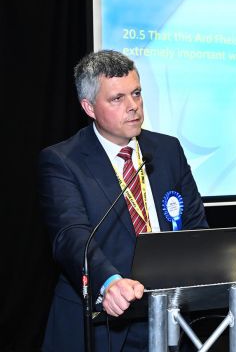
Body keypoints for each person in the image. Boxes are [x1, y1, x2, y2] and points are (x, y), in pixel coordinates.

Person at [39, 50, 209, 351]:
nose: (133, 107)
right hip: (103, 323)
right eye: (117, 99)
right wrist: (109, 283)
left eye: (137, 93)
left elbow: (195, 225)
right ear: (89, 107)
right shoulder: (63, 161)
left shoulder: (167, 150)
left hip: (169, 318)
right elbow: (70, 235)